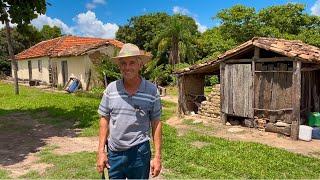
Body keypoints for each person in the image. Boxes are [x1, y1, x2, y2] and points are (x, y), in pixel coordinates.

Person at [96, 43, 162, 179]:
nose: (127, 67)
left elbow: (156, 122)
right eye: (123, 63)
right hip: (113, 154)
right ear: (119, 66)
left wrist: (157, 157)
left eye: (132, 63)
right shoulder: (111, 89)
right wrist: (101, 152)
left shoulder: (151, 91)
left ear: (140, 65)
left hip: (139, 153)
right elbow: (104, 119)